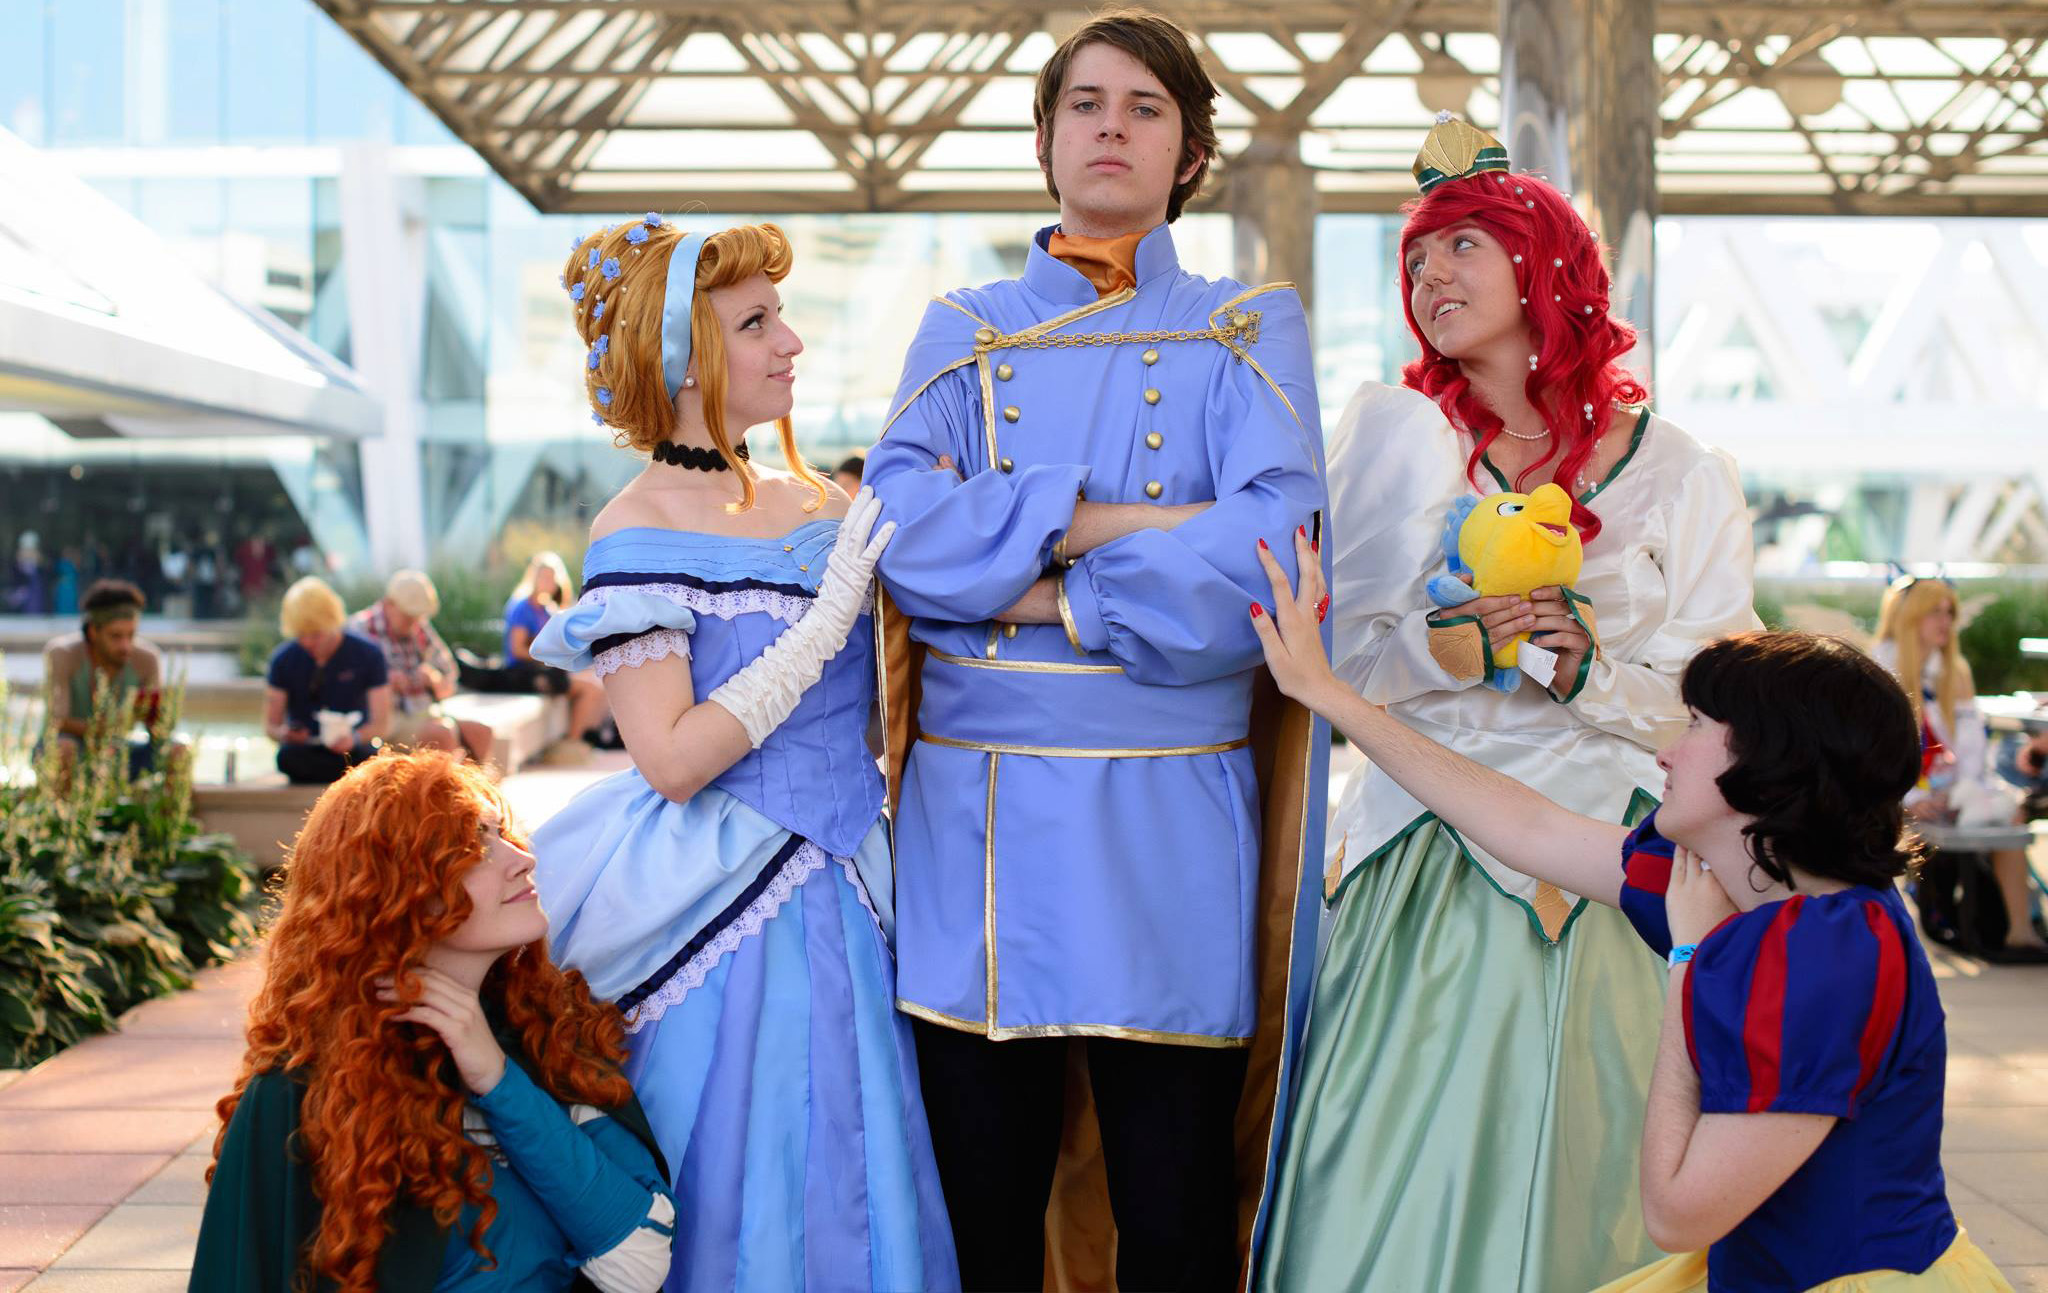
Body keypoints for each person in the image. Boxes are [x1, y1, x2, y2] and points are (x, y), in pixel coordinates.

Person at [1254, 115, 1762, 1293]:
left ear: (1545, 262)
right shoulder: (1397, 438)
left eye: (1461, 247)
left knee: (1610, 1162)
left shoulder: (1682, 473)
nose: (1428, 277)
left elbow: (1723, 707)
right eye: (1413, 260)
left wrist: (1588, 671)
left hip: (1617, 874)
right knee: (1396, 1167)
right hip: (1426, 857)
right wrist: (1446, 652)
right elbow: (1334, 667)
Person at [862, 11, 1330, 1288]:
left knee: (1176, 1219)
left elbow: (1276, 547)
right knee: (982, 1217)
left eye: (1143, 108)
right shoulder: (961, 326)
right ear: (1044, 138)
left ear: (1189, 153)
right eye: (1084, 104)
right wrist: (1140, 523)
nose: (1110, 128)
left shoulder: (1245, 324)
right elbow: (898, 531)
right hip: (977, 825)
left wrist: (1042, 591)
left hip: (1168, 819)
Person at [1249, 544, 2014, 1293]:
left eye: (1695, 726)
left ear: (1767, 766)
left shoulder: (1830, 953)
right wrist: (1330, 694)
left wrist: (1689, 961)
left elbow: (1676, 1213)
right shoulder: (1731, 883)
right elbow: (1529, 826)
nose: (1666, 754)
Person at [524, 215, 955, 1291]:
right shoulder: (634, 530)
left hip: (864, 888)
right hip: (726, 915)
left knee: (869, 1181)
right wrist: (822, 627)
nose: (790, 341)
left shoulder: (823, 505)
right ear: (681, 360)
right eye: (756, 322)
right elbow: (670, 760)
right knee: (748, 1189)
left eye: (780, 316)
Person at [191, 751, 674, 1293]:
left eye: (503, 833)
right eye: (475, 848)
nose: (522, 858)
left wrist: (497, 1080)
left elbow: (639, 1262)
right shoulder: (300, 1094)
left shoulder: (546, 1039)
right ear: (393, 894)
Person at [1871, 574, 2048, 958]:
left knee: (2010, 813)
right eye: (1934, 612)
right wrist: (1911, 798)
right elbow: (1873, 754)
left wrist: (1959, 793)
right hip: (1892, 798)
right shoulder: (1877, 670)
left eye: (1949, 612)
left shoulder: (1953, 670)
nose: (1946, 622)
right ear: (1908, 616)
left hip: (1947, 792)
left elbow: (1971, 751)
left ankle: (2020, 929)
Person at [351, 569, 495, 767]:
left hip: (423, 712)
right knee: (441, 735)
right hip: (386, 719)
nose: (414, 622)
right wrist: (383, 681)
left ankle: (471, 785)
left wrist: (433, 678)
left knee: (481, 732)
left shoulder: (418, 626)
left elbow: (450, 678)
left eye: (418, 616)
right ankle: (443, 785)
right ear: (389, 604)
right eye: (408, 616)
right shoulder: (359, 629)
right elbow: (346, 684)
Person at [264, 576, 390, 784]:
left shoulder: (368, 654)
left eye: (315, 635)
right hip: (306, 751)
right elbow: (271, 726)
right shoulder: (283, 659)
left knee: (373, 758)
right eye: (301, 635)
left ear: (332, 624)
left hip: (354, 749)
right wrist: (286, 733)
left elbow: (381, 724)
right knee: (287, 757)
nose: (308, 642)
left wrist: (354, 738)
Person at [40, 578, 166, 780]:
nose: (125, 646)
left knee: (179, 750)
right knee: (65, 748)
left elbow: (159, 727)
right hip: (70, 748)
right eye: (116, 636)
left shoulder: (148, 658)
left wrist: (155, 718)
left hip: (120, 751)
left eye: (131, 635)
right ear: (93, 631)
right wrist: (103, 730)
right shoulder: (62, 654)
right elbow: (58, 721)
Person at [505, 552, 610, 743]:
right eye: (543, 577)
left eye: (552, 577)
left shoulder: (548, 609)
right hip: (522, 673)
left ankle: (587, 738)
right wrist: (549, 658)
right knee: (591, 689)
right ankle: (571, 742)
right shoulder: (523, 607)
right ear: (533, 578)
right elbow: (517, 649)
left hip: (546, 669)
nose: (548, 582)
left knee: (600, 679)